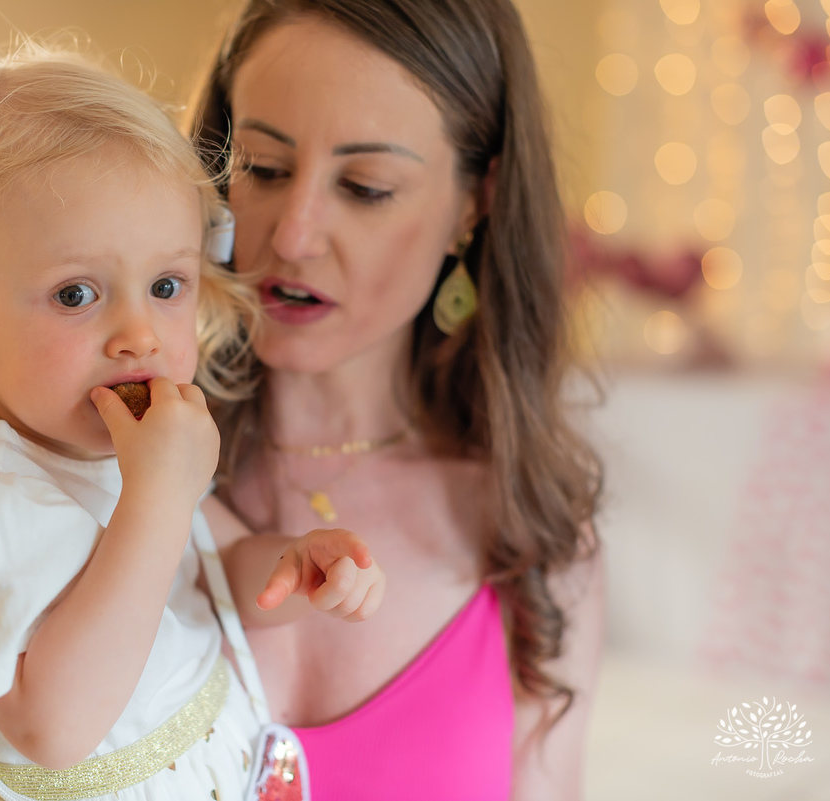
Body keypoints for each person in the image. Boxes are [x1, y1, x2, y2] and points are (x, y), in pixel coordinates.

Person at [0, 44, 384, 801]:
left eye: (165, 284)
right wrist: (157, 495)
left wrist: (290, 564)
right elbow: (54, 726)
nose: (139, 334)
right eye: (76, 295)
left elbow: (202, 573)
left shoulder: (126, 443)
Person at [192, 1, 606, 798]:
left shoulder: (536, 543)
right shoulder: (101, 466)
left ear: (474, 201)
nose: (294, 234)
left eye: (365, 186)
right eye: (265, 169)